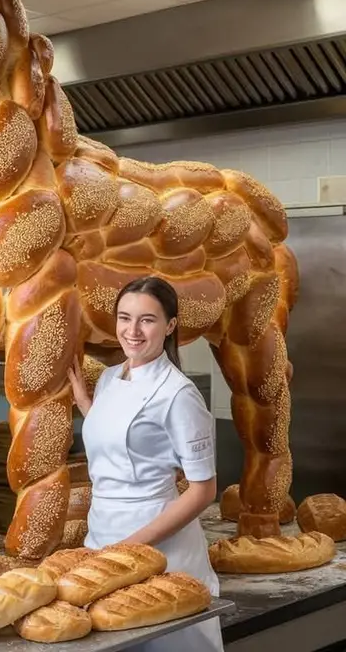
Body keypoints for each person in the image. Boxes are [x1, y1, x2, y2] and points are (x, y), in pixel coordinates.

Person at [68, 276, 224, 652]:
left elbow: (204, 490)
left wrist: (131, 546)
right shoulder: (108, 378)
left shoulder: (179, 394)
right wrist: (85, 403)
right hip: (102, 538)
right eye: (124, 318)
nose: (132, 331)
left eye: (147, 320)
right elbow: (125, 442)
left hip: (159, 548)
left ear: (170, 325)